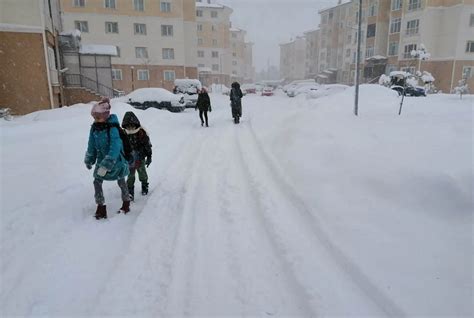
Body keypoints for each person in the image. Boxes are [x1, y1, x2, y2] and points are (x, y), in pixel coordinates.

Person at [84, 98, 131, 219]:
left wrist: (108, 162)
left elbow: (116, 145)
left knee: (121, 181)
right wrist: (89, 158)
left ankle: (126, 204)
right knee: (97, 181)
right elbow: (91, 144)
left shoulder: (112, 128)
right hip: (101, 161)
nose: (95, 120)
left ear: (105, 115)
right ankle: (101, 207)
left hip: (115, 161)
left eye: (98, 117)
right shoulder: (94, 128)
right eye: (94, 117)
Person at [121, 111, 152, 200]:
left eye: (132, 125)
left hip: (140, 157)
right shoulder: (123, 134)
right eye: (128, 126)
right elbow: (119, 146)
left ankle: (144, 186)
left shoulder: (141, 133)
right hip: (129, 158)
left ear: (136, 124)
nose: (130, 128)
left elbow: (147, 146)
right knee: (130, 175)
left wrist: (149, 156)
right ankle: (130, 192)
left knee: (142, 173)